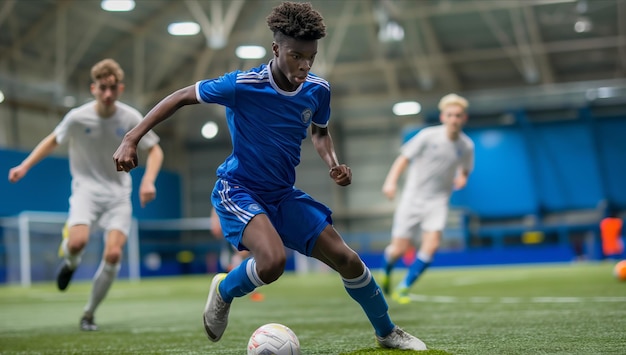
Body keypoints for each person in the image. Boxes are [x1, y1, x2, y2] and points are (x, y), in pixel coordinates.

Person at [113, 2, 426, 351]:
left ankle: (387, 332)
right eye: (296, 56)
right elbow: (181, 96)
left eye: (311, 57)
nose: (305, 65)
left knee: (349, 260)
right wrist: (131, 138)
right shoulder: (243, 85)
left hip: (282, 194)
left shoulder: (318, 90)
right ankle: (223, 290)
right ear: (276, 49)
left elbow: (320, 133)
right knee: (273, 261)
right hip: (239, 189)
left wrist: (333, 163)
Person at [8, 58, 164, 331]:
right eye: (102, 88)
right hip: (86, 193)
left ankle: (88, 314)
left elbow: (155, 149)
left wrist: (148, 181)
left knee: (114, 254)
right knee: (77, 243)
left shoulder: (130, 117)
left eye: (112, 88)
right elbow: (53, 140)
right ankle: (69, 261)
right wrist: (24, 166)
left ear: (120, 88)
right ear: (93, 88)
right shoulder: (78, 117)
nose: (107, 94)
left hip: (118, 195)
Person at [380, 93, 474, 304]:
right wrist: (390, 182)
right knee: (399, 249)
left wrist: (462, 178)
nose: (454, 119)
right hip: (412, 198)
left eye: (458, 115)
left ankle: (404, 287)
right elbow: (403, 159)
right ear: (443, 117)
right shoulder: (427, 136)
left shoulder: (466, 146)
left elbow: (466, 169)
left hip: (438, 201)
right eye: (450, 115)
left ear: (463, 118)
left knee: (431, 246)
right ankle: (386, 270)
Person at [210, 208, 264, 301]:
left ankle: (245, 288)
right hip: (231, 235)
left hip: (238, 232)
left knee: (240, 258)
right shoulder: (220, 203)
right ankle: (227, 288)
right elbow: (216, 227)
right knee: (234, 261)